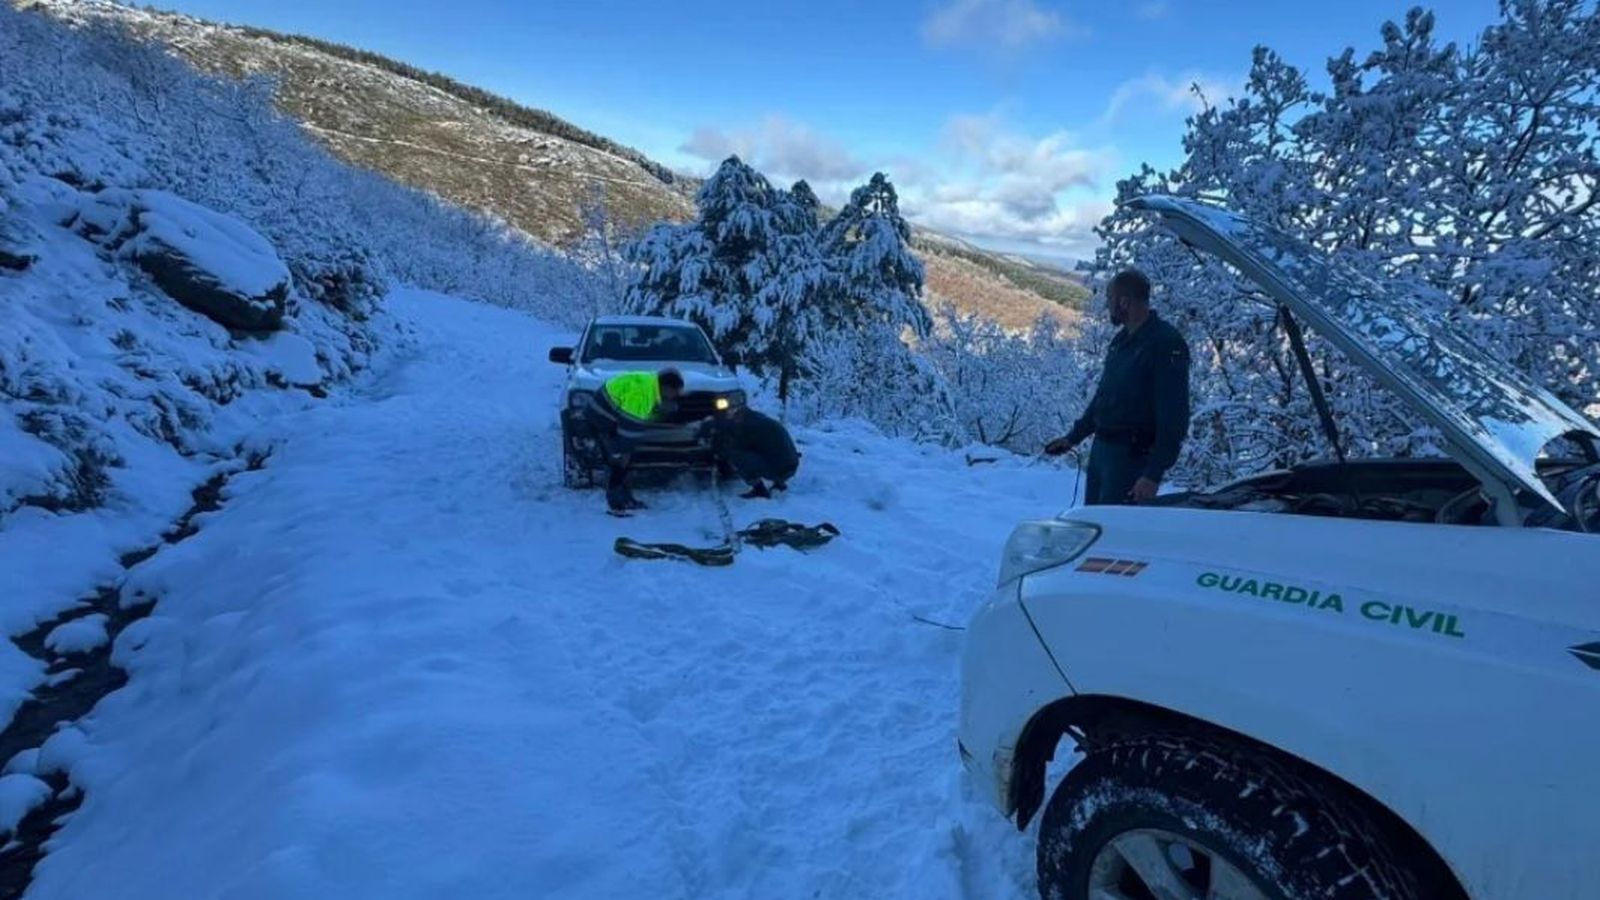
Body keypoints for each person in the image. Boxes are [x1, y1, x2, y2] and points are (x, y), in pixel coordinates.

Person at [1045, 269, 1190, 504]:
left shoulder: (1165, 344)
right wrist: (1073, 437)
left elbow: (1174, 417)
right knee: (1093, 522)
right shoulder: (1121, 341)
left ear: (1124, 302)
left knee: (1114, 529)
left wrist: (1152, 475)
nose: (1107, 306)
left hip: (1131, 459)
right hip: (1102, 452)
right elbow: (1104, 397)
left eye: (1109, 299)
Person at [582, 368, 684, 513]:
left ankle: (626, 498)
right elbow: (629, 430)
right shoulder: (641, 396)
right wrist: (623, 453)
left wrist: (661, 410)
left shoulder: (651, 385)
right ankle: (615, 505)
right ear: (666, 387)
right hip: (601, 419)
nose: (676, 396)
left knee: (627, 461)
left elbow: (644, 418)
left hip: (611, 417)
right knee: (618, 463)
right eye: (675, 392)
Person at [707, 404, 799, 499]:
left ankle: (759, 490)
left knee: (736, 455)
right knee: (765, 450)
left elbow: (737, 447)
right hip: (791, 465)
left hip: (781, 469)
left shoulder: (747, 426)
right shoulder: (759, 418)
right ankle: (779, 483)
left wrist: (720, 450)